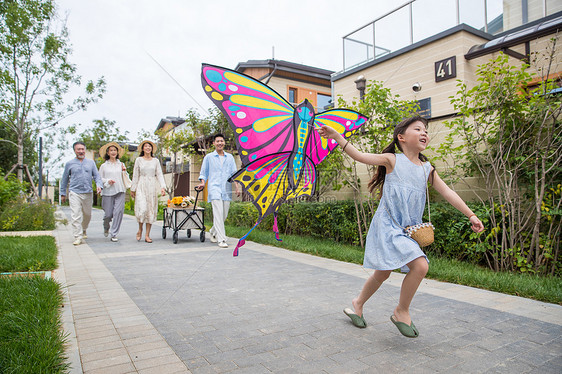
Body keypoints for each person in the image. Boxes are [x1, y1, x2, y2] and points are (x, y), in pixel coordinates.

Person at [317, 116, 484, 338]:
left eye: (426, 130)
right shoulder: (392, 160)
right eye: (418, 129)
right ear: (401, 137)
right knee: (420, 266)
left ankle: (358, 303)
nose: (424, 133)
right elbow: (360, 156)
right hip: (388, 225)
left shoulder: (427, 169)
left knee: (383, 272)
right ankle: (401, 311)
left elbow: (448, 192)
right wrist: (337, 136)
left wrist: (471, 214)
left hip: (407, 230)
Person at [197, 134, 240, 248]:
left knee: (223, 215)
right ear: (214, 144)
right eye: (217, 141)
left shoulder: (230, 157)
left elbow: (234, 173)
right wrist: (202, 182)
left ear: (224, 143)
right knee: (218, 213)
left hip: (226, 189)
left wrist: (236, 186)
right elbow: (203, 172)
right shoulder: (209, 157)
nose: (220, 143)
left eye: (221, 141)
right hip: (214, 188)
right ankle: (221, 239)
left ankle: (212, 231)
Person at [60, 141, 103, 246]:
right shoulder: (69, 164)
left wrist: (99, 185)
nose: (81, 151)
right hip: (74, 192)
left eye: (82, 149)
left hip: (87, 192)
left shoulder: (91, 163)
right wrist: (62, 194)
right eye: (78, 149)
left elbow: (97, 176)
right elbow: (64, 179)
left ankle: (84, 229)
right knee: (75, 215)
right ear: (74, 151)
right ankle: (77, 237)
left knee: (87, 215)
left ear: (85, 150)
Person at [130, 140, 166, 243]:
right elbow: (135, 175)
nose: (147, 148)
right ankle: (140, 229)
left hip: (152, 186)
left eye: (149, 146)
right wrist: (133, 188)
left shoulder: (156, 161)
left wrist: (162, 187)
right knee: (142, 208)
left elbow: (159, 174)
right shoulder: (138, 160)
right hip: (141, 185)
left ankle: (147, 235)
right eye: (145, 146)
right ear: (142, 148)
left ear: (152, 149)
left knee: (150, 209)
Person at [98, 142, 128, 242]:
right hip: (108, 191)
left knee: (118, 212)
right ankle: (106, 226)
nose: (113, 152)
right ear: (107, 152)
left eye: (115, 150)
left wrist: (124, 171)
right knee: (108, 214)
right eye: (111, 150)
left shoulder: (121, 164)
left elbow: (126, 178)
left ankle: (114, 233)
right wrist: (107, 181)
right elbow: (99, 179)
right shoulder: (103, 166)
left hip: (120, 190)